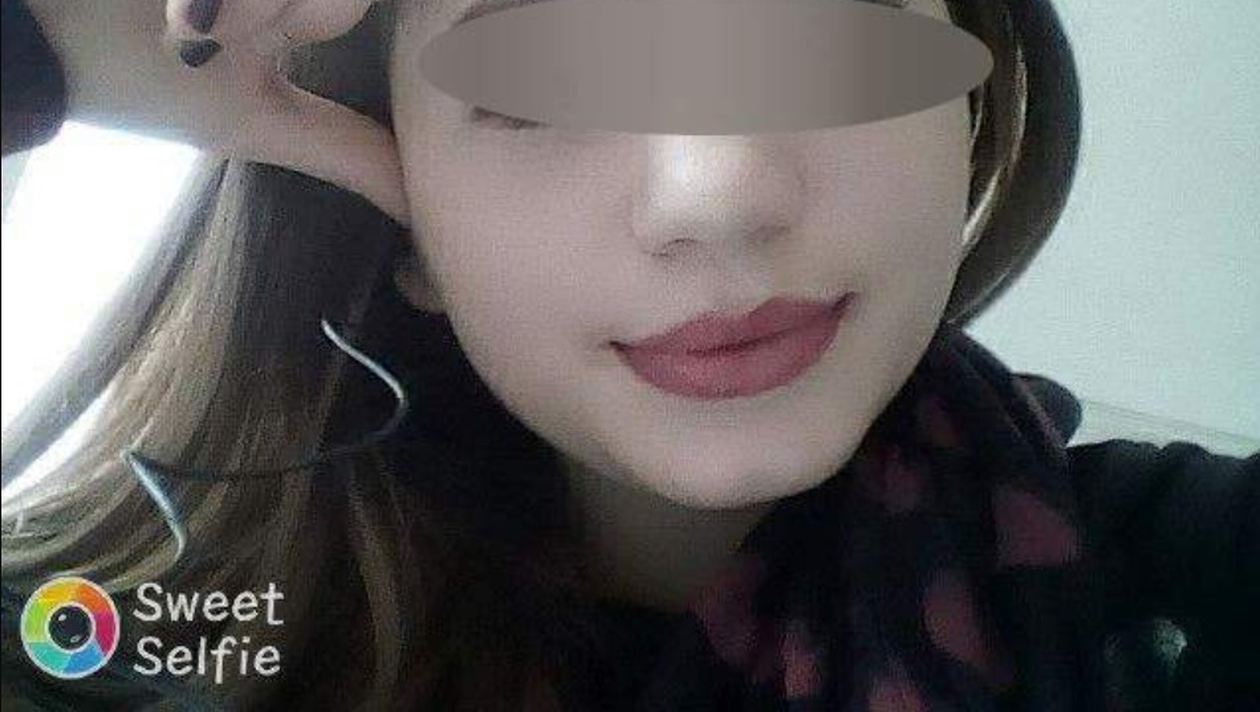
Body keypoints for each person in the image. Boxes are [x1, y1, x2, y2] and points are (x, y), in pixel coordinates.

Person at [1, 0, 1255, 710]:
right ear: (401, 209)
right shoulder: (101, 636)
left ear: (967, 108)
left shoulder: (1187, 586)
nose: (719, 191)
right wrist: (35, 47)